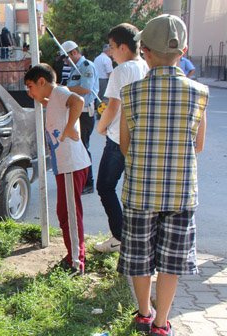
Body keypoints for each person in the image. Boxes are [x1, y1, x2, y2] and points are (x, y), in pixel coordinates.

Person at [119, 14, 208, 336]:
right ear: (182, 51)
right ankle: (161, 323)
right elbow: (198, 145)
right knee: (171, 262)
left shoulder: (131, 93)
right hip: (181, 193)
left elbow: (125, 146)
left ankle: (144, 312)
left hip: (140, 191)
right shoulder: (199, 93)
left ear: (144, 51)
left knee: (140, 258)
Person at [24, 64, 91, 275]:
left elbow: (78, 101)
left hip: (72, 164)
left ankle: (76, 263)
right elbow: (54, 105)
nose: (29, 91)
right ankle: (73, 254)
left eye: (30, 86)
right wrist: (40, 100)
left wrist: (70, 127)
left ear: (42, 82)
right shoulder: (53, 98)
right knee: (64, 213)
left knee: (70, 215)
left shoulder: (61, 92)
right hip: (65, 167)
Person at [93, 23, 149, 254]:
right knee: (133, 192)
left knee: (105, 187)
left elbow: (113, 106)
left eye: (112, 47)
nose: (110, 52)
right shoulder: (146, 65)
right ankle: (135, 238)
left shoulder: (121, 71)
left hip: (117, 139)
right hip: (140, 138)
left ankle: (120, 236)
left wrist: (101, 126)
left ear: (124, 47)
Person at [62, 40, 98, 194]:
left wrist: (64, 89)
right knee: (78, 147)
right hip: (76, 112)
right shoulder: (74, 69)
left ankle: (88, 182)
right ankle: (81, 180)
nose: (65, 61)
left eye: (66, 57)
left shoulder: (86, 66)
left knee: (83, 147)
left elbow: (85, 89)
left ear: (74, 53)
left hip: (84, 113)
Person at [93, 44, 114, 112]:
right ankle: (102, 112)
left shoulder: (97, 58)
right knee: (104, 97)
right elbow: (109, 72)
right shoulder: (107, 59)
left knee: (98, 96)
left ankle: (97, 111)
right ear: (108, 50)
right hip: (103, 80)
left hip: (96, 79)